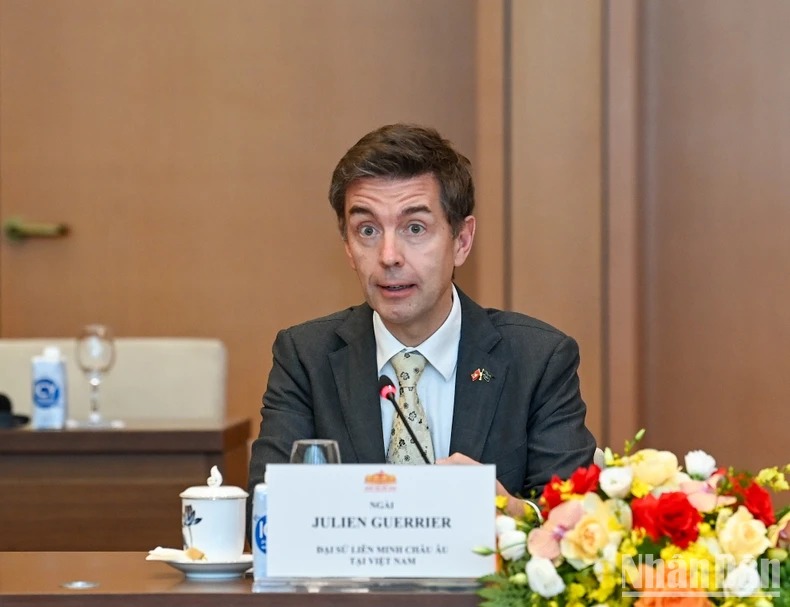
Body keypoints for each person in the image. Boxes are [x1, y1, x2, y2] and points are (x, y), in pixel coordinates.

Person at [248, 123, 596, 518]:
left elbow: (576, 522)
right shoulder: (305, 358)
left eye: (415, 228)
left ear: (461, 241)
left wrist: (510, 511)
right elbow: (266, 511)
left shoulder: (538, 360)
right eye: (367, 230)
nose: (389, 256)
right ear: (347, 247)